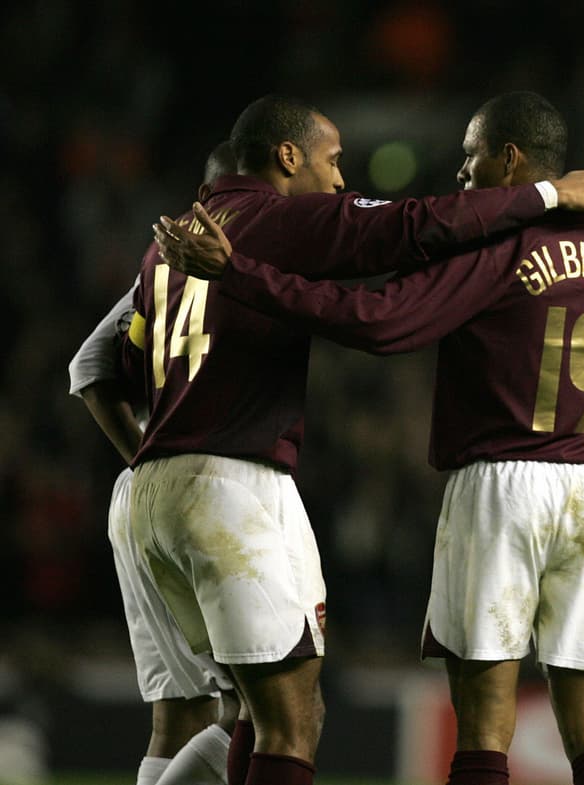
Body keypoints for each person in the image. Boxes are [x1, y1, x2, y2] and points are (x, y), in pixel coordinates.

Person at [126, 93, 584, 785]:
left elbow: (383, 311)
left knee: (469, 721)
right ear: (285, 157)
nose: (460, 173)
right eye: (334, 162)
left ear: (509, 158)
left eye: (470, 156)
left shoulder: (168, 243)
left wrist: (238, 274)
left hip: (492, 483)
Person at [69, 142, 240, 785]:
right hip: (201, 490)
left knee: (180, 715)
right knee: (267, 706)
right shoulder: (225, 261)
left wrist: (144, 459)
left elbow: (88, 364)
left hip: (143, 492)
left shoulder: (165, 265)